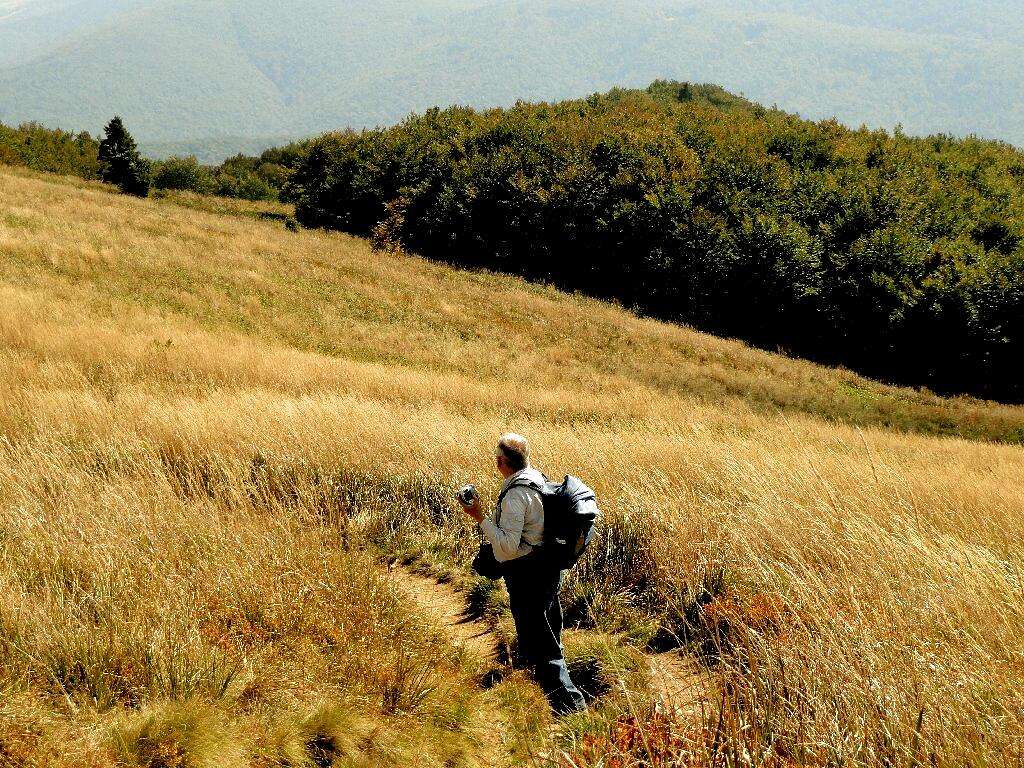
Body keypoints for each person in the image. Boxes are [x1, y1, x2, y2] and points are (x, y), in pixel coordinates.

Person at [458, 433, 587, 715]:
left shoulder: (516, 495)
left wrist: (479, 517)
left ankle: (572, 708)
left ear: (502, 462)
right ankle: (540, 692)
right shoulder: (536, 478)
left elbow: (506, 547)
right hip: (549, 569)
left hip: (530, 575)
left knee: (541, 642)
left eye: (497, 457)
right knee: (548, 634)